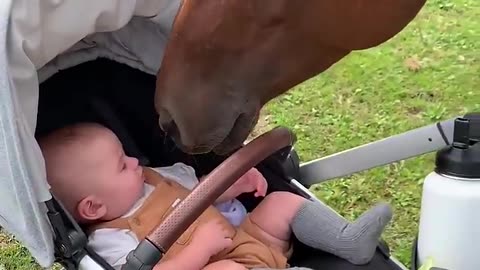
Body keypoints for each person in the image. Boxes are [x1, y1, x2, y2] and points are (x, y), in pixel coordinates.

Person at [38, 122, 393, 270]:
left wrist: (229, 186)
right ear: (94, 206)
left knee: (281, 203)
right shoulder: (111, 239)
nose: (134, 161)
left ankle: (349, 242)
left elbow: (200, 191)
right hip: (216, 263)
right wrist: (199, 251)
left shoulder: (153, 179)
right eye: (121, 164)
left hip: (249, 239)